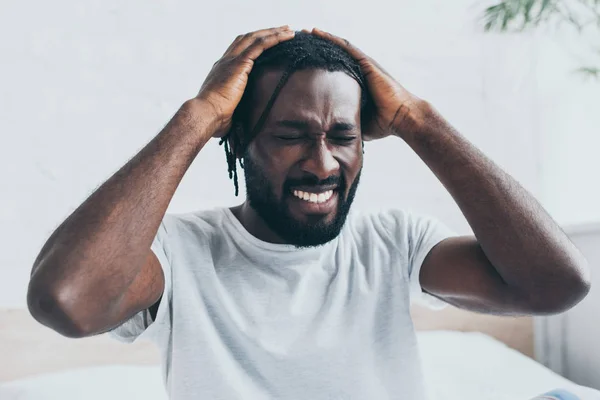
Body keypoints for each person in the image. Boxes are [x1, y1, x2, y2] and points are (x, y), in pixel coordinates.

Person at [26, 26, 591, 399]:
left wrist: (418, 119)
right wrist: (196, 119)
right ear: (239, 140)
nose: (322, 164)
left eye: (343, 136)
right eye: (291, 135)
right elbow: (67, 302)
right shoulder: (180, 254)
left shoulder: (391, 241)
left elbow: (556, 285)